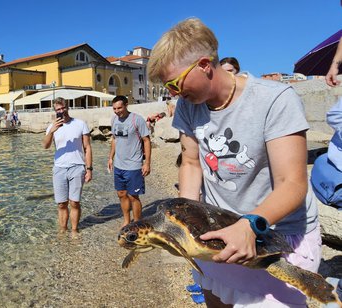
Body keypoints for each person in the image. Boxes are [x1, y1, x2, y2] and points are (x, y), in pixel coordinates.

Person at [147, 18, 320, 307]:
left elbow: (293, 184)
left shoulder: (275, 99)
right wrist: (185, 222)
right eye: (168, 87)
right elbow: (190, 163)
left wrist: (248, 224)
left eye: (175, 83)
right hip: (218, 232)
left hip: (277, 236)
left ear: (204, 65)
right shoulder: (188, 108)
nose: (174, 94)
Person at [42, 97, 93, 235]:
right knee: (61, 204)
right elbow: (45, 146)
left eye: (63, 108)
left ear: (67, 107)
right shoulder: (52, 127)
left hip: (77, 167)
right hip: (59, 168)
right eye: (58, 109)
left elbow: (87, 147)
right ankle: (63, 230)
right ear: (55, 111)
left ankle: (75, 230)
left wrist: (89, 169)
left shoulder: (80, 124)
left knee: (74, 202)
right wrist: (52, 130)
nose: (61, 111)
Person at [107, 95, 151, 227]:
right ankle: (126, 221)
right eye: (114, 108)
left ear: (126, 105)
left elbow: (146, 140)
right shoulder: (114, 120)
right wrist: (110, 157)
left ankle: (137, 222)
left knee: (133, 196)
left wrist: (147, 163)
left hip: (134, 165)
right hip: (118, 165)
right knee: (121, 194)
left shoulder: (137, 120)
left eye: (119, 108)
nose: (117, 111)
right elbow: (114, 139)